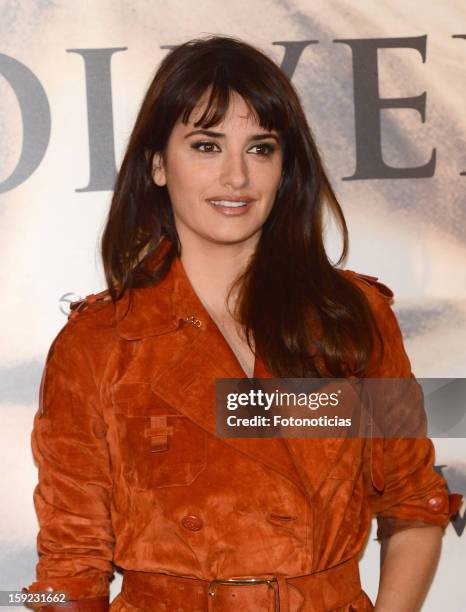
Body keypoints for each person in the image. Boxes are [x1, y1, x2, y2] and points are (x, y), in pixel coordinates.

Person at [24, 35, 462, 611]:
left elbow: (412, 505)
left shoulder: (351, 320)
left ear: (284, 168)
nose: (236, 177)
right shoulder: (97, 346)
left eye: (260, 148)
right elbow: (68, 573)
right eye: (206, 146)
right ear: (157, 163)